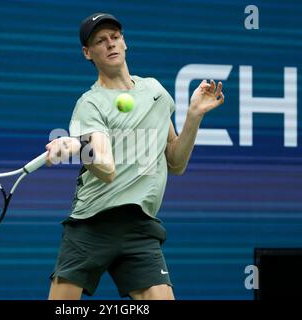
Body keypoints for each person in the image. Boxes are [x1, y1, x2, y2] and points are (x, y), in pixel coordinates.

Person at [45, 13, 224, 300]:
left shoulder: (155, 91)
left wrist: (193, 117)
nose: (110, 44)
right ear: (87, 53)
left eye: (115, 37)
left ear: (124, 42)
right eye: (100, 41)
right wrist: (80, 146)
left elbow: (175, 163)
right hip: (93, 223)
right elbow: (105, 168)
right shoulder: (90, 104)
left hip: (139, 225)